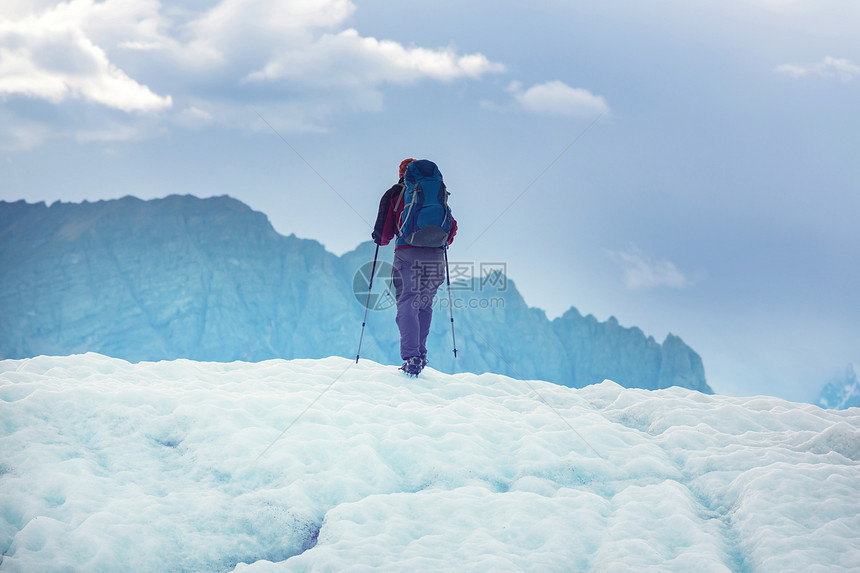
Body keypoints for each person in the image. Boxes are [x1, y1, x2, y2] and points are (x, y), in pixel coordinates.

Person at [372, 158, 457, 376]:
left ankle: (412, 357)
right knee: (424, 304)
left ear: (402, 173)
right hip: (436, 255)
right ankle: (420, 354)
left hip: (407, 254)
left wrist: (380, 237)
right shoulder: (437, 193)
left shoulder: (395, 194)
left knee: (407, 302)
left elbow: (383, 236)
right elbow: (452, 228)